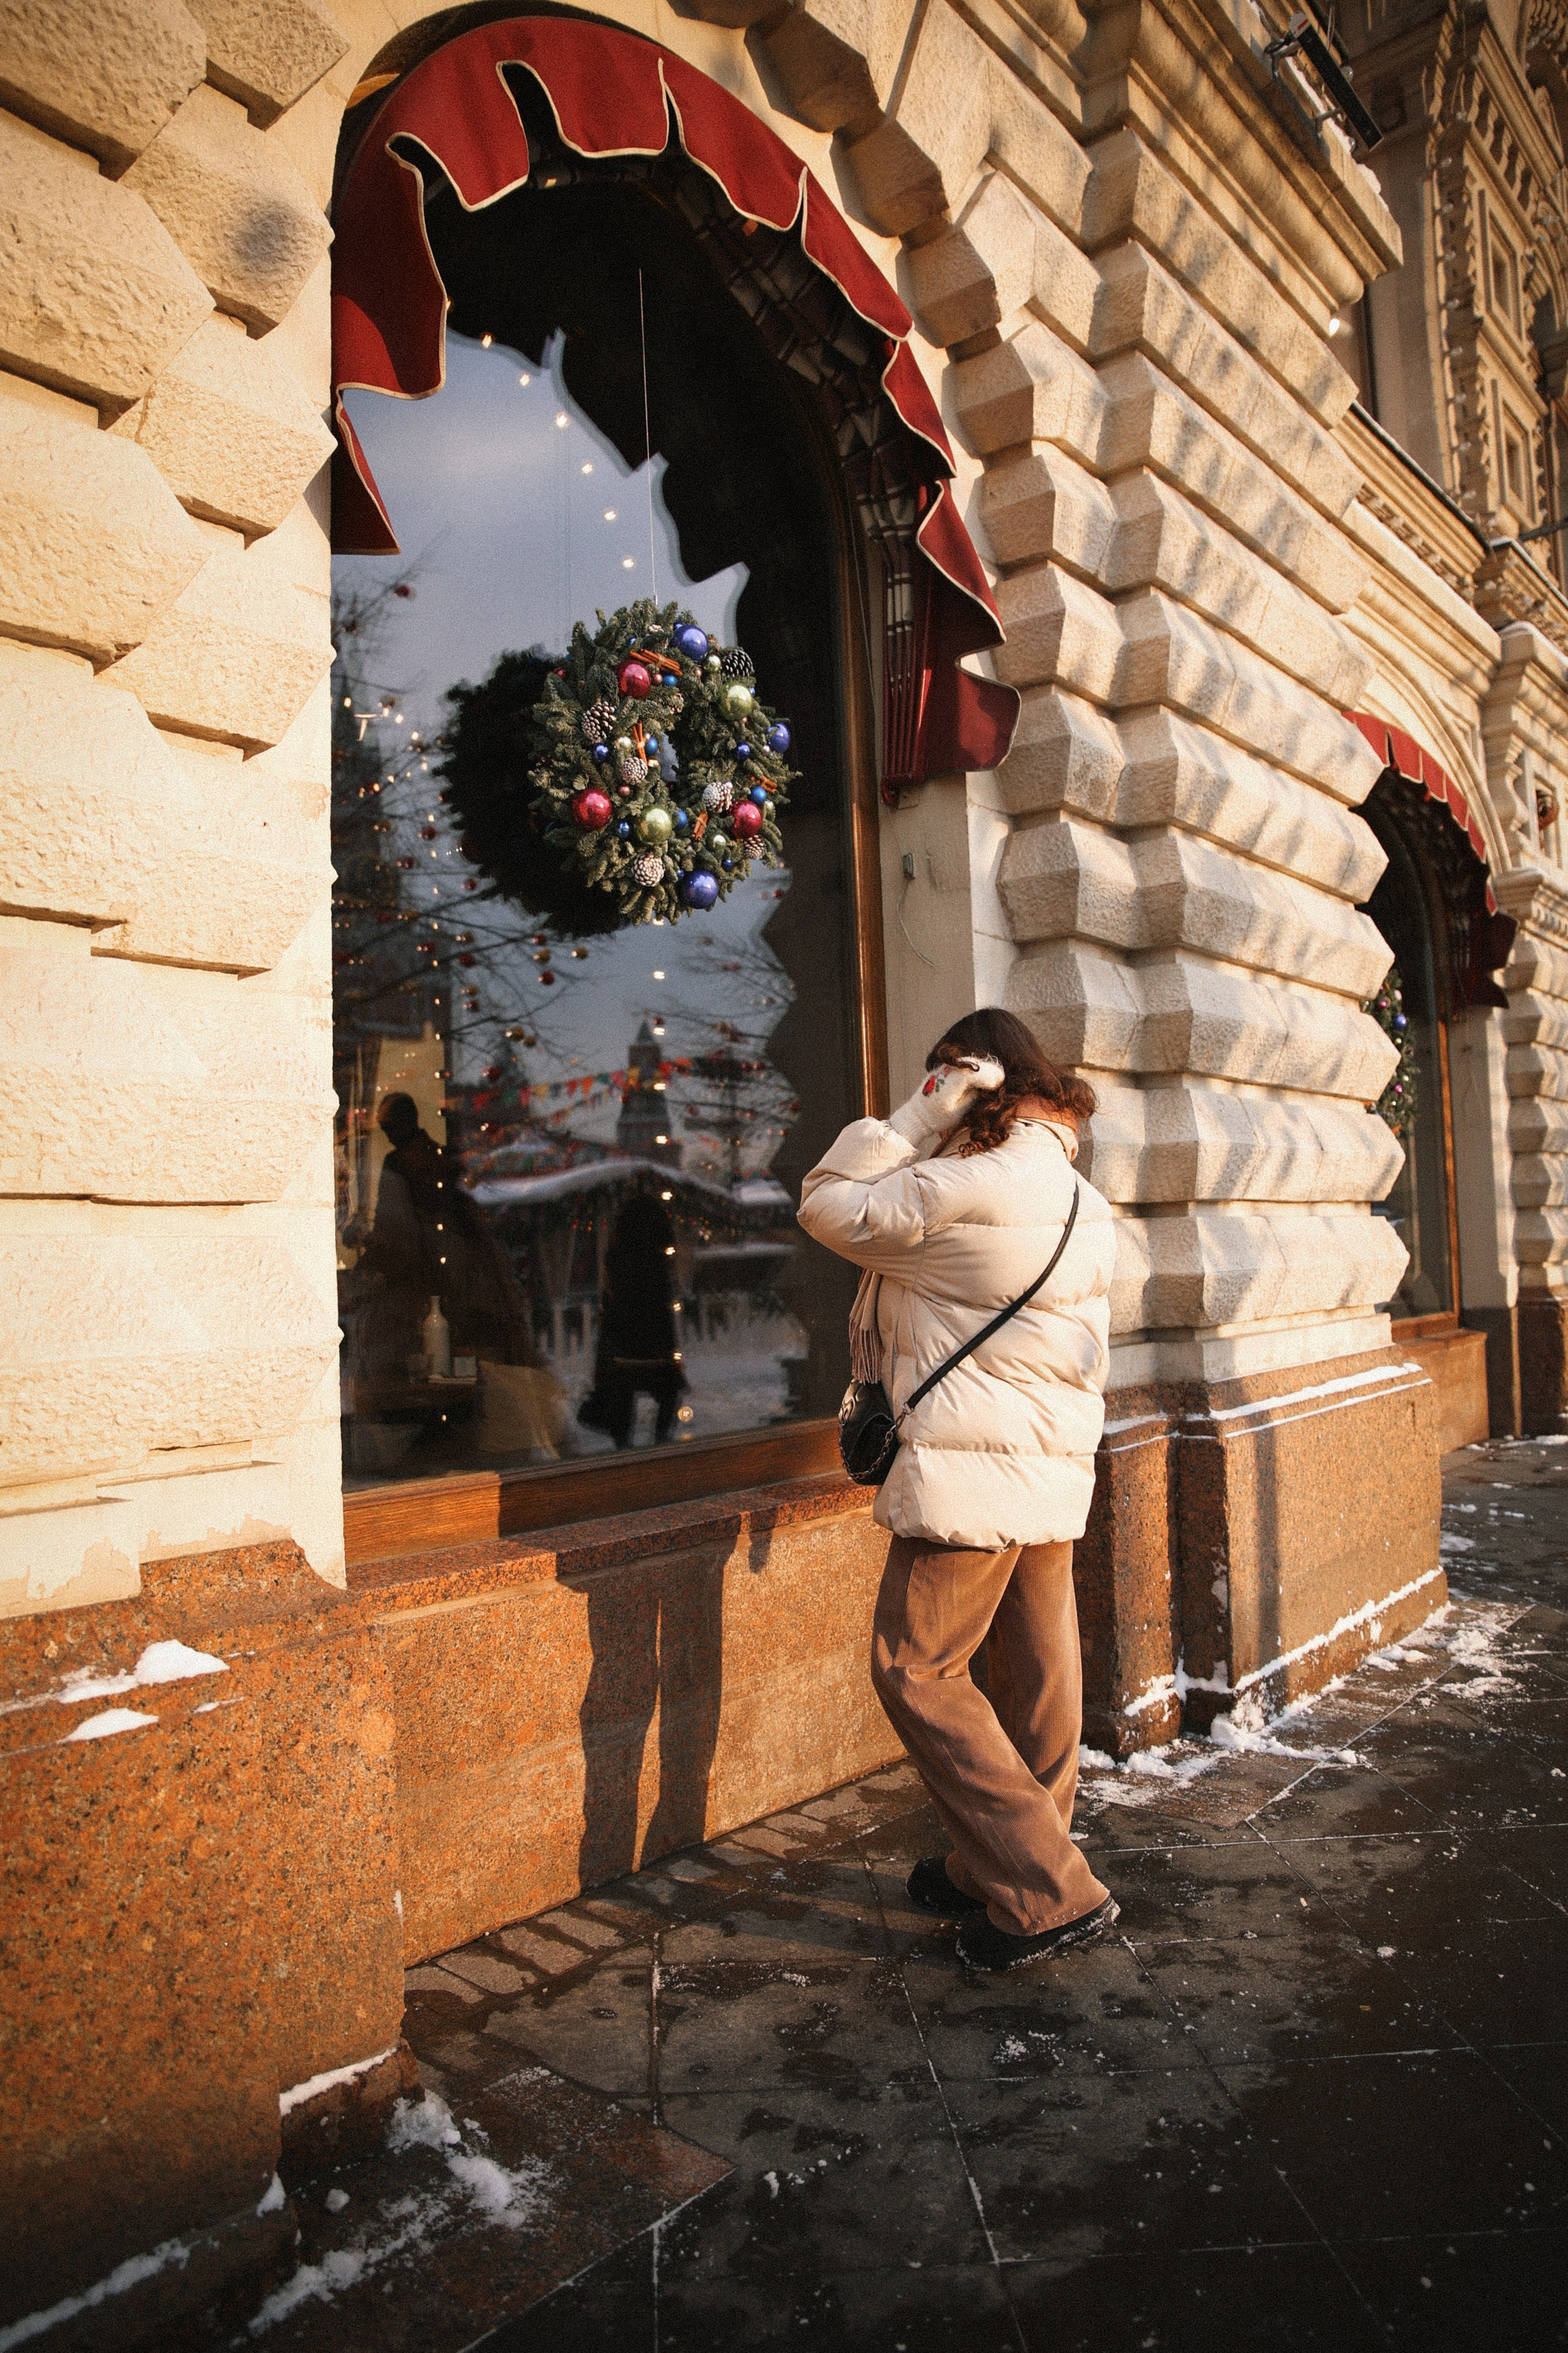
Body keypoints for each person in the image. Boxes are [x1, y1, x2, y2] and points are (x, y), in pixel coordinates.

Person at [798, 1008, 1118, 1972]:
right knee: (1036, 1672)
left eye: (947, 1080)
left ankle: (1045, 1888)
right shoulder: (1079, 1195)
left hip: (974, 1469)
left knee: (916, 1668)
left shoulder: (962, 1183)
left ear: (972, 1081)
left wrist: (917, 1111)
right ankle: (1007, 1864)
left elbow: (825, 1203)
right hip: (1051, 1461)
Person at [578, 1189, 690, 1449]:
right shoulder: (656, 1264)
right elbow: (661, 1309)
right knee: (667, 1393)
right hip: (654, 1345)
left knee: (621, 1399)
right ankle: (660, 1445)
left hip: (621, 1346)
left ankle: (624, 1449)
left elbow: (611, 1305)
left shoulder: (617, 1258)